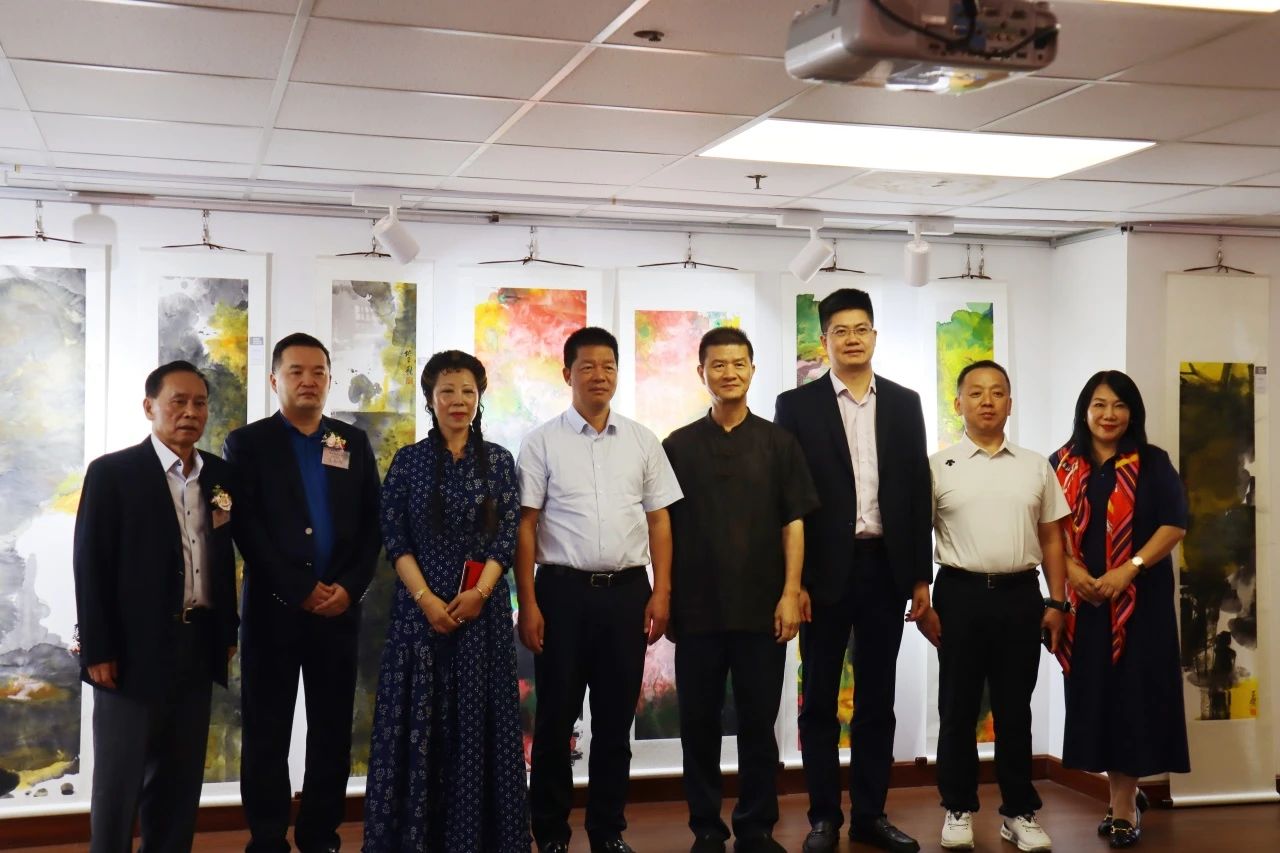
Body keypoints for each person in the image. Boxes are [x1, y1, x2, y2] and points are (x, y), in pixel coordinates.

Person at [773, 288, 932, 853]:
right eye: (840, 330)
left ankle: (870, 815)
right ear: (825, 341)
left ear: (874, 335)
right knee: (818, 701)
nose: (852, 339)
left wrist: (920, 578)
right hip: (822, 576)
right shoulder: (797, 406)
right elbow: (788, 499)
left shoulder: (905, 403)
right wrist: (793, 582)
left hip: (885, 569)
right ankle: (823, 819)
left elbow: (916, 491)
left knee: (876, 702)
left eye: (861, 328)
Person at [516, 326, 683, 853]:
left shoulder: (641, 440)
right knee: (555, 720)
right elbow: (525, 526)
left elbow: (659, 521)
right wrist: (528, 603)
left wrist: (662, 591)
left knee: (614, 723)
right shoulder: (542, 441)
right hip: (561, 595)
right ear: (567, 373)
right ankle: (551, 833)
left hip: (627, 594)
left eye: (608, 366)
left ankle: (608, 832)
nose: (599, 375)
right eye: (587, 366)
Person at [361, 350, 529, 851]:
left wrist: (479, 593)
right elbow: (395, 539)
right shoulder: (408, 461)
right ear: (430, 399)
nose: (459, 401)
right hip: (419, 620)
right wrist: (427, 601)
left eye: (468, 392)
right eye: (447, 392)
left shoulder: (498, 460)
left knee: (479, 729)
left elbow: (506, 538)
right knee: (421, 726)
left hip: (483, 617)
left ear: (479, 398)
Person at [663, 328, 820, 853]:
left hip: (762, 608)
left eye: (738, 364)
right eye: (718, 364)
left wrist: (791, 591)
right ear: (701, 372)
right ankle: (706, 828)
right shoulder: (677, 446)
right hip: (697, 610)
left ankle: (756, 827)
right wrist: (665, 593)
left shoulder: (779, 443)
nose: (728, 373)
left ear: (752, 370)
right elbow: (661, 528)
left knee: (758, 724)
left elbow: (794, 523)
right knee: (698, 726)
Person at [73, 360, 239, 853]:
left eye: (199, 403)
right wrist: (98, 648)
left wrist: (227, 632)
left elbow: (222, 559)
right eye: (178, 401)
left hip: (197, 644)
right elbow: (90, 563)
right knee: (119, 783)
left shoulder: (219, 476)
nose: (190, 412)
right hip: (130, 652)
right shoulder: (112, 473)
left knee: (179, 783)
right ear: (150, 407)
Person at [225, 332, 382, 853]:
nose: (309, 380)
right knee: (266, 731)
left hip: (338, 612)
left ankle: (320, 834)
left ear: (329, 379)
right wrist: (298, 589)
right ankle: (268, 837)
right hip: (274, 612)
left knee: (332, 730)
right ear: (275, 380)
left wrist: (350, 588)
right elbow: (247, 529)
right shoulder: (247, 444)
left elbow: (373, 525)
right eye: (296, 371)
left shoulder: (351, 441)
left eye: (318, 371)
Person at [925, 360, 1069, 853]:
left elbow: (1052, 539)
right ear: (958, 403)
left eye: (997, 392)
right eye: (976, 392)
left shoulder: (1035, 466)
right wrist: (922, 601)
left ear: (1010, 403)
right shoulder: (937, 466)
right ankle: (958, 807)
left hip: (1020, 595)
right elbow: (914, 537)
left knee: (1014, 710)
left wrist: (1057, 601)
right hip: (958, 594)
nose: (987, 401)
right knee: (957, 708)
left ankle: (1019, 812)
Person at [1050, 371, 1188, 849]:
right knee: (1098, 699)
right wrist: (1072, 571)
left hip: (1140, 606)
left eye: (1120, 405)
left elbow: (1174, 525)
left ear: (1133, 412)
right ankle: (1122, 794)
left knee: (1132, 699)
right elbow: (1046, 531)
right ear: (1084, 410)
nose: (1109, 415)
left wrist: (1129, 569)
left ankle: (1124, 804)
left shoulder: (1153, 463)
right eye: (1099, 404)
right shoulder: (1059, 465)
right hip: (1084, 605)